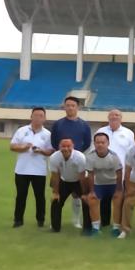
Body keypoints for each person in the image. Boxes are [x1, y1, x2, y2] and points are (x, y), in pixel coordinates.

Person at [50, 96, 91, 229]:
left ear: (77, 107)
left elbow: (87, 143)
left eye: (73, 105)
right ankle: (54, 223)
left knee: (78, 195)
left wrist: (75, 154)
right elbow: (54, 142)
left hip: (78, 162)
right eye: (67, 105)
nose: (70, 108)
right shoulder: (58, 124)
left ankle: (76, 220)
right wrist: (63, 154)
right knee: (58, 193)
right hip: (62, 161)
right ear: (64, 107)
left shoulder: (84, 125)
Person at [10, 107, 53, 228]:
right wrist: (23, 147)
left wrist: (40, 151)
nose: (38, 118)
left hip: (39, 171)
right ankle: (18, 220)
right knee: (21, 196)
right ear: (31, 117)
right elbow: (12, 146)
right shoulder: (22, 130)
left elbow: (50, 151)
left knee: (40, 197)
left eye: (41, 116)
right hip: (22, 170)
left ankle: (40, 220)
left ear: (44, 118)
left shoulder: (48, 134)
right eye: (35, 115)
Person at [95, 109, 134, 234]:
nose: (114, 117)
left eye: (117, 115)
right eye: (112, 115)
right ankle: (105, 222)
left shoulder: (128, 133)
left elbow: (132, 153)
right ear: (108, 117)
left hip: (121, 172)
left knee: (119, 198)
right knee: (104, 198)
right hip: (102, 172)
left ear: (121, 118)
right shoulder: (100, 131)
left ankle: (119, 223)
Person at [85, 133, 123, 236]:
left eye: (103, 142)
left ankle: (116, 228)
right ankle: (95, 228)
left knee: (118, 200)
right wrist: (92, 191)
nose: (100, 145)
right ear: (94, 144)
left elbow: (119, 173)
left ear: (108, 143)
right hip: (99, 184)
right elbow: (90, 174)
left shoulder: (114, 156)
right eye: (97, 142)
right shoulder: (90, 156)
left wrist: (118, 190)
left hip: (113, 184)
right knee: (91, 199)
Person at [48, 138, 89, 233]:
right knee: (56, 201)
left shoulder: (80, 157)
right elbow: (55, 176)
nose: (66, 148)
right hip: (64, 181)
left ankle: (87, 228)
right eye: (63, 146)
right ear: (59, 147)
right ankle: (55, 227)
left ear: (73, 147)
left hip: (78, 181)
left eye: (68, 146)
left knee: (86, 201)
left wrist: (84, 193)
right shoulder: (54, 157)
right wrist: (55, 193)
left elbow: (82, 177)